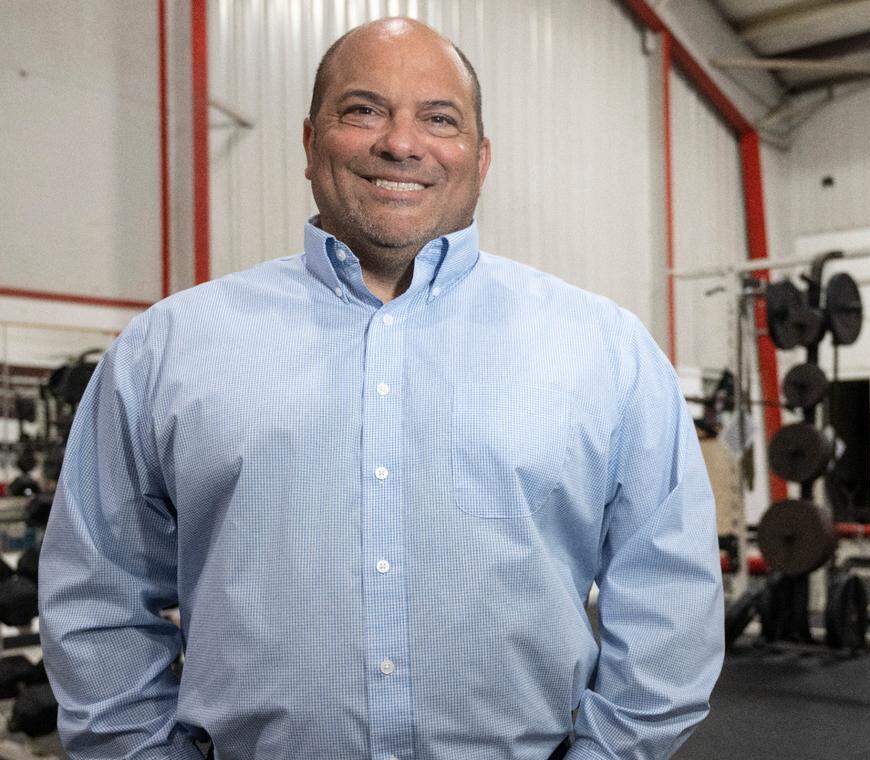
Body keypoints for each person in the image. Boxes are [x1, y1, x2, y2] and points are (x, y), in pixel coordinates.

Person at [39, 17, 723, 760]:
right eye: (363, 110)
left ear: (480, 157)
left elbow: (670, 606)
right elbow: (97, 592)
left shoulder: (605, 351)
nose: (401, 142)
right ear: (309, 144)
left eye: (439, 118)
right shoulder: (166, 349)